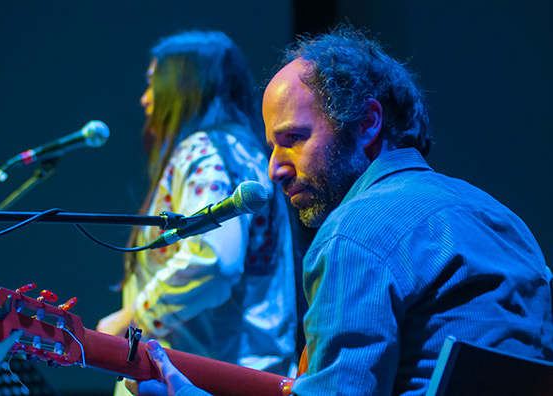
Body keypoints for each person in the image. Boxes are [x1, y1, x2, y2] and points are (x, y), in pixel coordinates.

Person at [123, 24, 553, 396]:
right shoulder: (503, 221)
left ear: (367, 122)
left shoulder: (356, 233)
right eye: (272, 145)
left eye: (293, 139)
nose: (273, 169)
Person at [96, 30, 298, 395]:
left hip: (200, 376)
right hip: (250, 372)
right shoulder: (247, 150)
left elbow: (214, 260)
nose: (145, 99)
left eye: (154, 83)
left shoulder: (204, 151)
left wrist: (133, 317)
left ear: (184, 84)